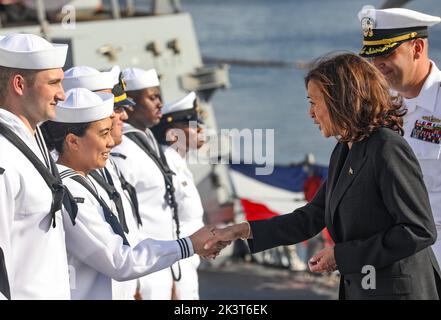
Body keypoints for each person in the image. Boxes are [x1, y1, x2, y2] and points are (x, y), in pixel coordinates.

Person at [206, 53, 441, 300]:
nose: (310, 113)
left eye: (314, 102)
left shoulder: (386, 148)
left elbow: (419, 229)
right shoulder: (344, 149)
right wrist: (239, 231)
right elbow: (311, 218)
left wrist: (341, 256)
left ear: (342, 101)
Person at [40, 88, 223, 299]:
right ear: (73, 141)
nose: (111, 141)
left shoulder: (86, 178)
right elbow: (119, 260)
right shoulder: (69, 190)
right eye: (103, 133)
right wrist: (189, 244)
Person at [357, 6, 441, 264]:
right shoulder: (376, 107)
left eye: (387, 53)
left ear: (416, 49)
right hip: (392, 259)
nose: (377, 65)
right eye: (372, 56)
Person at [0, 33, 78, 299]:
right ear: (19, 84)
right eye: (54, 82)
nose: (62, 94)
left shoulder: (33, 140)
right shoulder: (4, 156)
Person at [62, 65, 142, 299]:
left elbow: (129, 231)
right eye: (114, 106)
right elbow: (115, 258)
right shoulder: (71, 174)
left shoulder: (107, 164)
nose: (121, 115)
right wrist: (188, 245)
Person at [111, 67, 179, 299]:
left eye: (160, 96)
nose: (160, 103)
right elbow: (123, 217)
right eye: (152, 97)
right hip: (143, 268)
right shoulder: (122, 150)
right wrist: (137, 284)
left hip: (164, 261)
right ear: (131, 104)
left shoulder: (148, 140)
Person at [151, 91, 205, 300]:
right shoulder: (165, 165)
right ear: (173, 134)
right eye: (192, 125)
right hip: (174, 268)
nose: (200, 129)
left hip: (188, 264)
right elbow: (160, 223)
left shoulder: (178, 164)